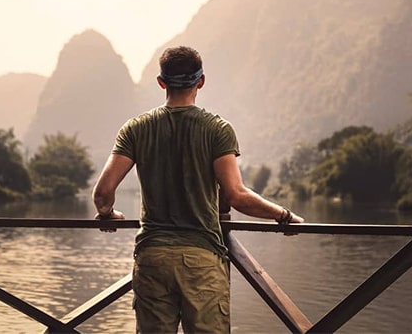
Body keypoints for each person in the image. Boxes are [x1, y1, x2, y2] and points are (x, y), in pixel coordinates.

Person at [92, 45, 304, 334]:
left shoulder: (135, 129)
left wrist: (108, 214)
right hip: (201, 258)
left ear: (161, 82)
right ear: (201, 81)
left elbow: (103, 193)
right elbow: (236, 196)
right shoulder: (217, 129)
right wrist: (284, 215)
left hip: (152, 257)